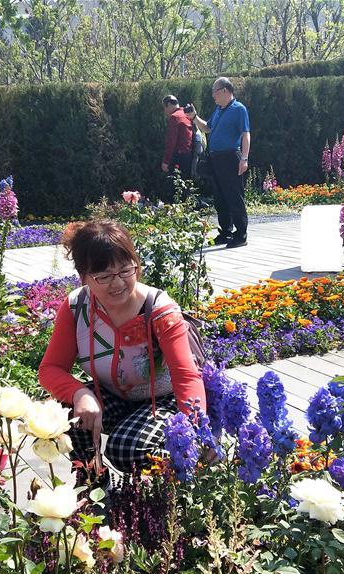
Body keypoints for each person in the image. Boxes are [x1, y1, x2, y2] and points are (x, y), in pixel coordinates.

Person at [38, 220, 207, 481]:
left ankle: (167, 493)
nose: (117, 283)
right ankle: (91, 485)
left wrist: (194, 433)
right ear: (83, 277)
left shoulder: (158, 309)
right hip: (113, 396)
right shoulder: (76, 307)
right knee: (65, 415)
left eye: (126, 270)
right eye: (103, 276)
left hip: (163, 399)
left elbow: (186, 376)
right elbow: (50, 369)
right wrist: (80, 393)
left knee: (125, 449)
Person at [185, 77, 251, 248]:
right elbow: (208, 128)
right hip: (216, 158)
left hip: (231, 157)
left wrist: (244, 158)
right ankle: (226, 232)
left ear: (224, 90)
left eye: (214, 91)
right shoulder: (219, 110)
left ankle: (241, 234)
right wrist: (194, 117)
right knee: (220, 196)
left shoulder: (239, 109)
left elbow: (246, 134)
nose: (212, 95)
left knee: (234, 195)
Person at [161, 95, 194, 182]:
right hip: (189, 155)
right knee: (186, 184)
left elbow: (171, 142)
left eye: (164, 107)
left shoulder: (174, 117)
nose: (165, 111)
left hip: (178, 158)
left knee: (175, 186)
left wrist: (166, 161)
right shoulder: (186, 114)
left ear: (168, 104)